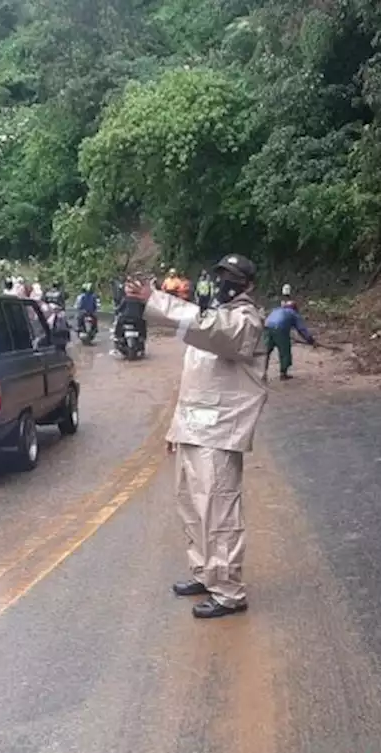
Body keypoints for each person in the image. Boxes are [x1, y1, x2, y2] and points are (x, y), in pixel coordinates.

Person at [127, 254, 267, 619]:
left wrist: (157, 300)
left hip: (220, 433)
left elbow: (213, 328)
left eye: (233, 278)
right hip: (194, 428)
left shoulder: (245, 322)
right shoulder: (214, 319)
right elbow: (194, 382)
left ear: (248, 285)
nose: (225, 284)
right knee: (192, 507)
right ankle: (206, 573)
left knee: (219, 511)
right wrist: (176, 427)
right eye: (221, 276)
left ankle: (229, 591)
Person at [263, 297, 318, 381]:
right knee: (284, 351)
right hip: (280, 329)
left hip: (267, 328)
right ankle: (283, 373)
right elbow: (301, 329)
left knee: (265, 351)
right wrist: (310, 340)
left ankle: (262, 372)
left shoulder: (276, 310)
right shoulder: (293, 313)